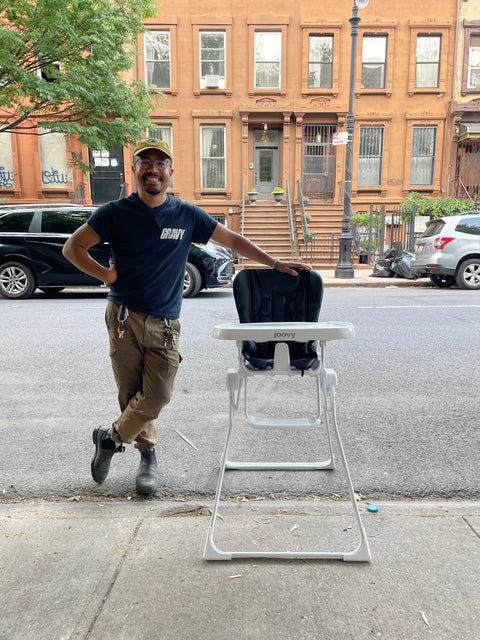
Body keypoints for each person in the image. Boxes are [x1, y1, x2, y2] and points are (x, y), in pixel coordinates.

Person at [62, 138, 310, 495]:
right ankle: (148, 456)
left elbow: (232, 239)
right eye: (144, 162)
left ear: (170, 172)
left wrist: (273, 262)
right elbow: (73, 247)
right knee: (131, 391)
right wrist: (106, 276)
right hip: (123, 316)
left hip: (164, 321)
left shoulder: (186, 214)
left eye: (160, 163)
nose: (152, 169)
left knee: (158, 393)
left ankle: (109, 438)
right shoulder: (114, 213)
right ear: (133, 170)